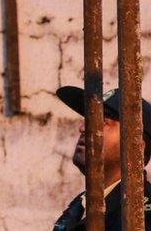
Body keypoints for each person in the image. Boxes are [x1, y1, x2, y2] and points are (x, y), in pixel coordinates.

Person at [53, 86, 151, 231]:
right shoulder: (80, 206)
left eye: (103, 121)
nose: (83, 128)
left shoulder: (142, 217)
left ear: (136, 145)